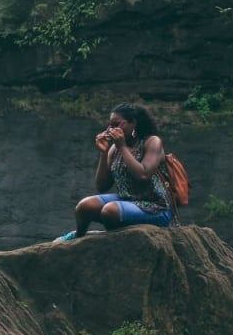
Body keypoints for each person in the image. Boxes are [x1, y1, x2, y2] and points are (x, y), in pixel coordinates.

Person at [56, 102, 175, 242]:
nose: (110, 129)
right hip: (127, 200)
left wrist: (122, 146)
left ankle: (113, 240)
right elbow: (102, 186)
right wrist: (104, 151)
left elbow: (143, 175)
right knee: (85, 206)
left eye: (116, 124)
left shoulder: (152, 142)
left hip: (156, 207)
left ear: (133, 124)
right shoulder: (115, 148)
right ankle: (79, 237)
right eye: (109, 125)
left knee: (110, 211)